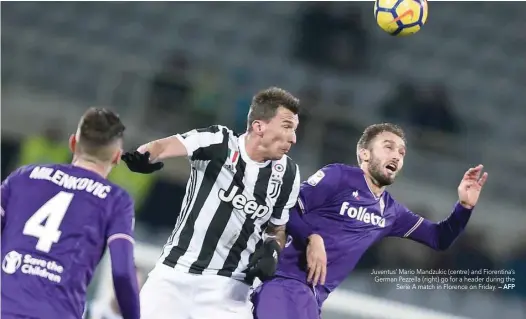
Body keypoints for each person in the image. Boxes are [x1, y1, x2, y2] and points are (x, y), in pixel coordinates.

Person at [251, 123, 488, 319]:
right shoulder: (339, 176)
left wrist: (464, 207)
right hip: (282, 282)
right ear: (364, 153)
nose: (396, 154)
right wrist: (312, 237)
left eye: (402, 152)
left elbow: (439, 238)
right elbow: (285, 208)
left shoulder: (391, 212)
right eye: (388, 147)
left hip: (312, 299)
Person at [121, 87, 302, 319]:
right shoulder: (218, 142)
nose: (293, 138)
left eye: (294, 130)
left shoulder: (288, 174)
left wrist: (273, 248)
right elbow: (162, 146)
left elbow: (277, 228)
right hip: (174, 276)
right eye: (287, 127)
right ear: (259, 126)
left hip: (229, 291)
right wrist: (144, 156)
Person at [1, 108, 140, 319]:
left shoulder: (22, 177)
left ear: (73, 143)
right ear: (117, 157)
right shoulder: (116, 200)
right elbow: (122, 273)